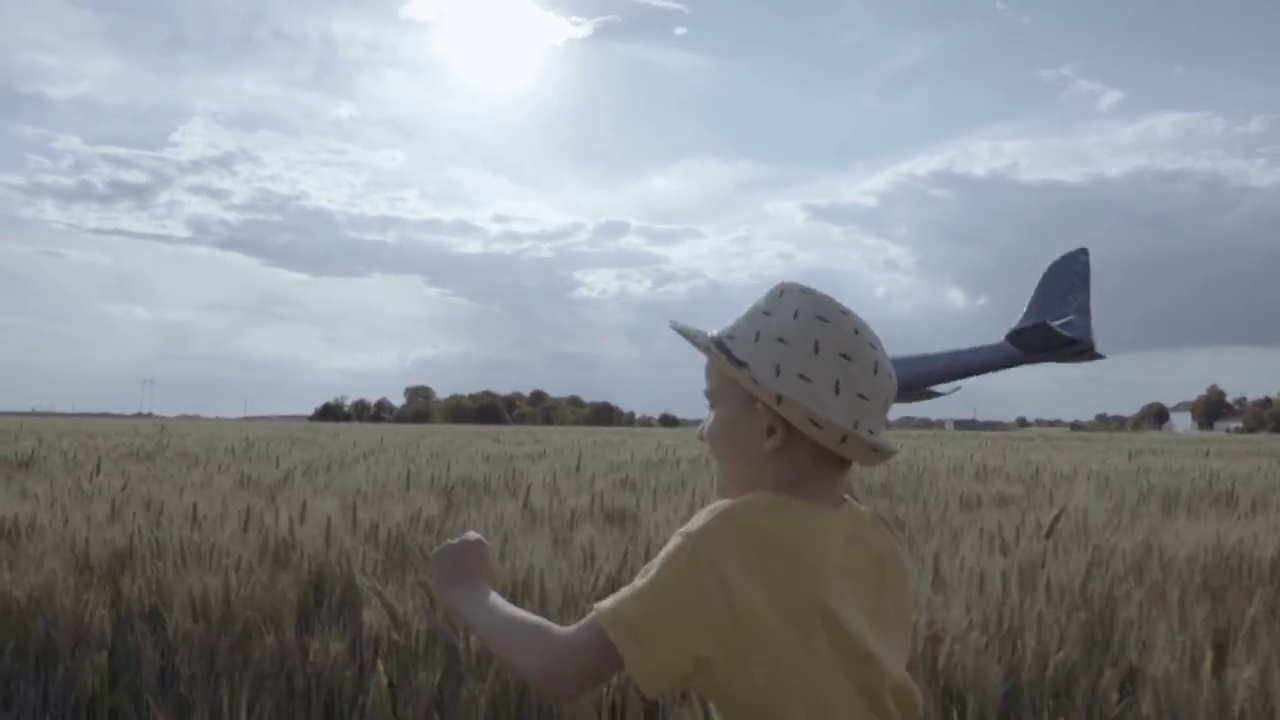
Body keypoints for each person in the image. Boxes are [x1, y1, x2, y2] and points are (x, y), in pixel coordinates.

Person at [428, 281, 923, 719]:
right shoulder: (881, 539)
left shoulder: (725, 543)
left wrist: (468, 589)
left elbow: (563, 668)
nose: (701, 433)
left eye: (711, 407)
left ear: (770, 429)